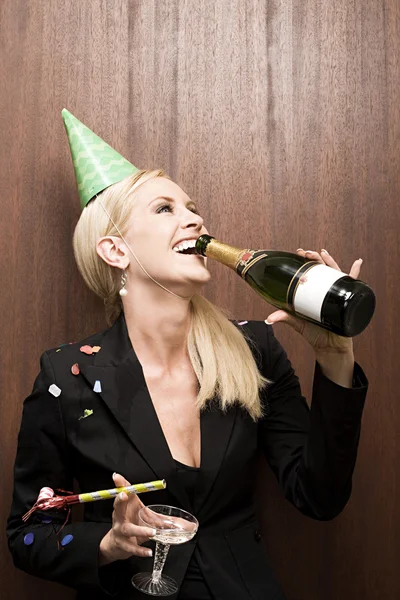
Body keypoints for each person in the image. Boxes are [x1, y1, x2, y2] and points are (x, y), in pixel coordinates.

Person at [7, 110, 369, 600]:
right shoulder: (65, 375)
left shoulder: (255, 349)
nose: (195, 219)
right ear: (116, 251)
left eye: (191, 207)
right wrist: (108, 543)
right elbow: (28, 534)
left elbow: (320, 497)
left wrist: (335, 360)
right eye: (164, 209)